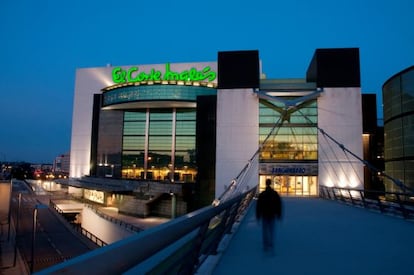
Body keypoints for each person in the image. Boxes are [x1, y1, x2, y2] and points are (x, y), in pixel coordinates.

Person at [256, 178, 282, 253]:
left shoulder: (262, 194)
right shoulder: (274, 193)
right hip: (272, 214)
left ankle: (265, 244)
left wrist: (258, 215)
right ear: (271, 184)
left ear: (265, 184)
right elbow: (278, 204)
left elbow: (258, 205)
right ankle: (271, 243)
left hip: (264, 214)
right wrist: (279, 214)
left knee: (265, 230)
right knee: (271, 229)